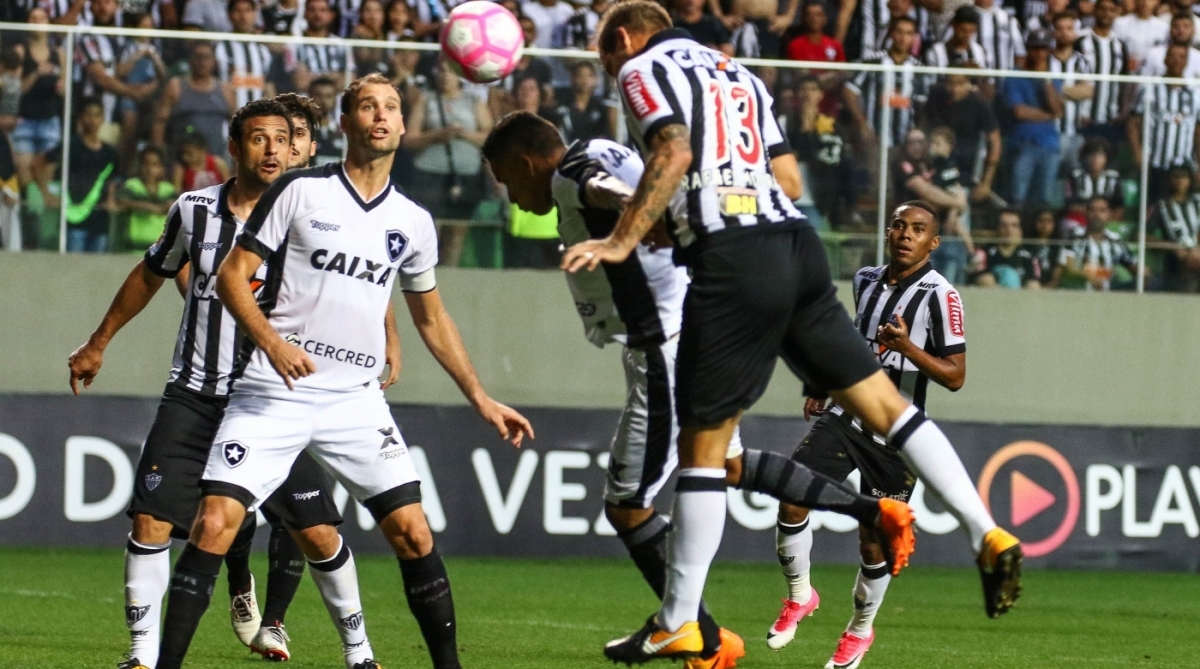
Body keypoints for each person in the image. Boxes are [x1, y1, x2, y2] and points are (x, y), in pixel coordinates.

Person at [562, 2, 1020, 662]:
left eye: (606, 53)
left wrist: (621, 236)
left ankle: (680, 618)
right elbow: (789, 178)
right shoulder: (738, 72)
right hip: (796, 243)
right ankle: (986, 531)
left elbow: (673, 148)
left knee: (705, 446)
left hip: (732, 257)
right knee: (888, 407)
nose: (609, 68)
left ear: (626, 37)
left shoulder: (643, 67)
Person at [484, 110, 923, 669]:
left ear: (525, 162)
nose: (512, 196)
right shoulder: (595, 146)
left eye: (507, 181)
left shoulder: (572, 173)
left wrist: (629, 209)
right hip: (693, 327)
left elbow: (606, 188)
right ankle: (874, 512)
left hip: (664, 349)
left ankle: (703, 639)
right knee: (730, 467)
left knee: (628, 507)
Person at [149, 72, 533, 669]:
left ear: (404, 127)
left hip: (354, 401)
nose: (380, 116)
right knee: (214, 522)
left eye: (391, 108)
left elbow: (432, 319)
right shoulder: (301, 192)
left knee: (413, 533)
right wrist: (272, 343)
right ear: (347, 123)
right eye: (366, 107)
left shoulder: (413, 221)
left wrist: (481, 397)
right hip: (274, 393)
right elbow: (230, 276)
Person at [67, 98, 377, 669]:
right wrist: (98, 341)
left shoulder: (317, 219)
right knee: (151, 520)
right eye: (258, 139)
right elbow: (151, 272)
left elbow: (361, 284)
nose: (273, 150)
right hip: (194, 394)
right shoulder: (194, 211)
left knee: (316, 534)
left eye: (282, 140)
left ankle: (360, 654)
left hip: (272, 402)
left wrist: (380, 348)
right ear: (234, 149)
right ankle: (141, 655)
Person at [764, 202, 968, 669]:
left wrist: (907, 347)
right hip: (846, 415)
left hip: (899, 435)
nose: (905, 234)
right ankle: (800, 596)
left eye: (918, 229)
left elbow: (956, 376)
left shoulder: (942, 296)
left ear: (933, 243)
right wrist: (819, 385)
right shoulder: (866, 281)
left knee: (874, 545)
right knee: (792, 495)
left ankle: (858, 632)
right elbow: (850, 342)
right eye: (899, 225)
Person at [405, 62, 494, 263]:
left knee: (456, 232)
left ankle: (450, 276)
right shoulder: (426, 99)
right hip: (429, 174)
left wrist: (463, 134)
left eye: (450, 71)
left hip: (466, 176)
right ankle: (425, 277)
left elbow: (491, 138)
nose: (445, 76)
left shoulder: (474, 101)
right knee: (430, 232)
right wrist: (436, 135)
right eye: (441, 70)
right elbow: (409, 140)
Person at [1128, 44, 1200, 203]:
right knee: (1153, 207)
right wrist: (1138, 154)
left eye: (1181, 57)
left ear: (1186, 62)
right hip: (1155, 162)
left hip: (1184, 164)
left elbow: (1198, 130)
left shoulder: (1195, 92)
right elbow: (1133, 123)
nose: (1176, 61)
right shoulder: (1150, 89)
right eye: (1172, 56)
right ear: (1165, 60)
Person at [1000, 29, 1063, 207]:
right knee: (1018, 198)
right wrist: (1049, 115)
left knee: (1044, 200)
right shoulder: (1015, 74)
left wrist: (1046, 80)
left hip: (1049, 144)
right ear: (1028, 49)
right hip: (1022, 143)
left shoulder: (1052, 77)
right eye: (1035, 48)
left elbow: (1058, 110)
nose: (1040, 53)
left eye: (1044, 49)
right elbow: (1019, 112)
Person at [844, 15, 927, 149]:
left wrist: (917, 133)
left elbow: (921, 106)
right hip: (874, 139)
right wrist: (862, 125)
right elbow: (849, 91)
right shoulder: (874, 61)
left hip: (904, 145)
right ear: (892, 33)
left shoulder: (918, 68)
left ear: (914, 37)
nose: (903, 37)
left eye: (908, 33)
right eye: (899, 32)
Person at [922, 74, 1001, 204]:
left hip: (966, 172)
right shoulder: (937, 100)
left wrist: (986, 183)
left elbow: (995, 142)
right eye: (951, 83)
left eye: (959, 84)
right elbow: (924, 129)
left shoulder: (979, 104)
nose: (954, 89)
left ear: (968, 84)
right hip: (937, 170)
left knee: (959, 210)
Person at [12, 6, 65, 197]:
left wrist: (61, 87)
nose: (37, 22)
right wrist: (36, 73)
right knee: (26, 180)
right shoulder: (21, 51)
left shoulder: (58, 53)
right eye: (32, 18)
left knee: (44, 182)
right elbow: (15, 89)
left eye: (41, 18)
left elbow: (65, 87)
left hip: (49, 121)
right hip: (24, 120)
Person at [154, 41, 236, 162]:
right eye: (197, 57)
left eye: (206, 57)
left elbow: (237, 126)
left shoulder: (225, 89)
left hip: (216, 161)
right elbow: (159, 122)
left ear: (214, 61)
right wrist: (159, 156)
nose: (202, 62)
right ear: (190, 60)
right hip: (181, 161)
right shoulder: (176, 86)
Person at [60, 96, 118, 253]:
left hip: (99, 220)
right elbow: (42, 164)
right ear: (81, 118)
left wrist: (110, 200)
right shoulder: (71, 145)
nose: (93, 120)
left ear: (103, 119)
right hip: (74, 217)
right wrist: (46, 194)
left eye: (97, 115)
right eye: (89, 115)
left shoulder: (109, 152)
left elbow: (111, 179)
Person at [1055, 195, 1140, 290]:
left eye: (1102, 210)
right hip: (1078, 294)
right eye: (1092, 210)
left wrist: (1143, 273)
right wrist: (1093, 274)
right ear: (1086, 212)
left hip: (1109, 295)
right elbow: (1068, 268)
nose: (1097, 214)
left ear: (1109, 214)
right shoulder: (1074, 235)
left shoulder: (1115, 240)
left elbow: (1132, 265)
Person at [1076, 0, 1130, 145]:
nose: (1106, 13)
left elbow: (1124, 80)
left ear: (1117, 13)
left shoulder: (1120, 45)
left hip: (1111, 118)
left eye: (1111, 10)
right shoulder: (1080, 40)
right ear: (1094, 10)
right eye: (1102, 9)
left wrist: (1123, 110)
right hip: (1083, 117)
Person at [1049, 11, 1094, 173]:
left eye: (1069, 28)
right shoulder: (1045, 60)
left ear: (1075, 33)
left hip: (1075, 132)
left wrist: (1057, 89)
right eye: (1059, 28)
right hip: (1050, 133)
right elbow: (1042, 92)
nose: (1064, 33)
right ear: (1053, 32)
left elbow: (1087, 91)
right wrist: (1073, 90)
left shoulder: (1082, 61)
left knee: (1074, 182)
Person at [787, 0, 846, 115]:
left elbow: (842, 72)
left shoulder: (834, 45)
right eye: (810, 15)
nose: (814, 18)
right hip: (805, 95)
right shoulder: (795, 45)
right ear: (804, 18)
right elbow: (798, 74)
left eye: (818, 15)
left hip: (830, 93)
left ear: (825, 18)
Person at [215, 0, 277, 109]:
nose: (243, 16)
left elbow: (269, 86)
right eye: (238, 11)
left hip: (259, 115)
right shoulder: (220, 48)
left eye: (247, 11)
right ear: (230, 15)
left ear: (255, 14)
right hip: (228, 116)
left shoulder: (263, 51)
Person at [1150, 165, 1200, 291]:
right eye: (1176, 176)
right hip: (1176, 257)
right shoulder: (1161, 206)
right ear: (1170, 180)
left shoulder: (1198, 201)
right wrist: (1171, 246)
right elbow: (1140, 234)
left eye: (1184, 176)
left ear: (1190, 179)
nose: (1180, 181)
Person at [119, 145, 176, 249]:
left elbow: (176, 206)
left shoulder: (168, 189)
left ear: (161, 168)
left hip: (159, 246)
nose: (149, 169)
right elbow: (122, 201)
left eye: (154, 165)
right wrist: (150, 207)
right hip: (135, 245)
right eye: (146, 164)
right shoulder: (132, 185)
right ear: (139, 166)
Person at [291, 0, 355, 92]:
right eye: (312, 10)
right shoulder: (294, 44)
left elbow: (350, 81)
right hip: (303, 103)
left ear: (331, 15)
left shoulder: (341, 44)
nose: (318, 15)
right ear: (305, 14)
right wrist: (334, 76)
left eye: (323, 10)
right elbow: (301, 83)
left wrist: (312, 76)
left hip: (337, 104)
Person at [971, 208, 1042, 288]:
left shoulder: (1030, 255)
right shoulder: (983, 252)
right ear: (997, 229)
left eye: (1014, 225)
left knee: (1034, 286)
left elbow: (1035, 280)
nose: (1009, 230)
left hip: (1020, 298)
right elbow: (978, 276)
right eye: (1004, 225)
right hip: (991, 298)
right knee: (986, 280)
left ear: (1020, 230)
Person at [547, 60, 614, 142]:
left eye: (589, 75)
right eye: (580, 75)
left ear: (597, 80)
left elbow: (603, 137)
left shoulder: (601, 109)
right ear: (572, 78)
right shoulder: (560, 106)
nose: (584, 80)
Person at [1112, 0, 1168, 72]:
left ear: (1157, 2)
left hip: (1152, 73)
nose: (1145, 2)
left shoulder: (1163, 27)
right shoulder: (1120, 24)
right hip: (1125, 70)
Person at [309, 77, 348, 166]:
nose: (323, 101)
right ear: (310, 97)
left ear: (335, 100)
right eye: (318, 95)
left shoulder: (343, 132)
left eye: (328, 96)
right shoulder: (304, 131)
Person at [352, 0, 389, 77]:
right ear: (361, 14)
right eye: (368, 10)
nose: (373, 16)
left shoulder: (389, 35)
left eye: (377, 11)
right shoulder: (356, 36)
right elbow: (367, 59)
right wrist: (375, 37)